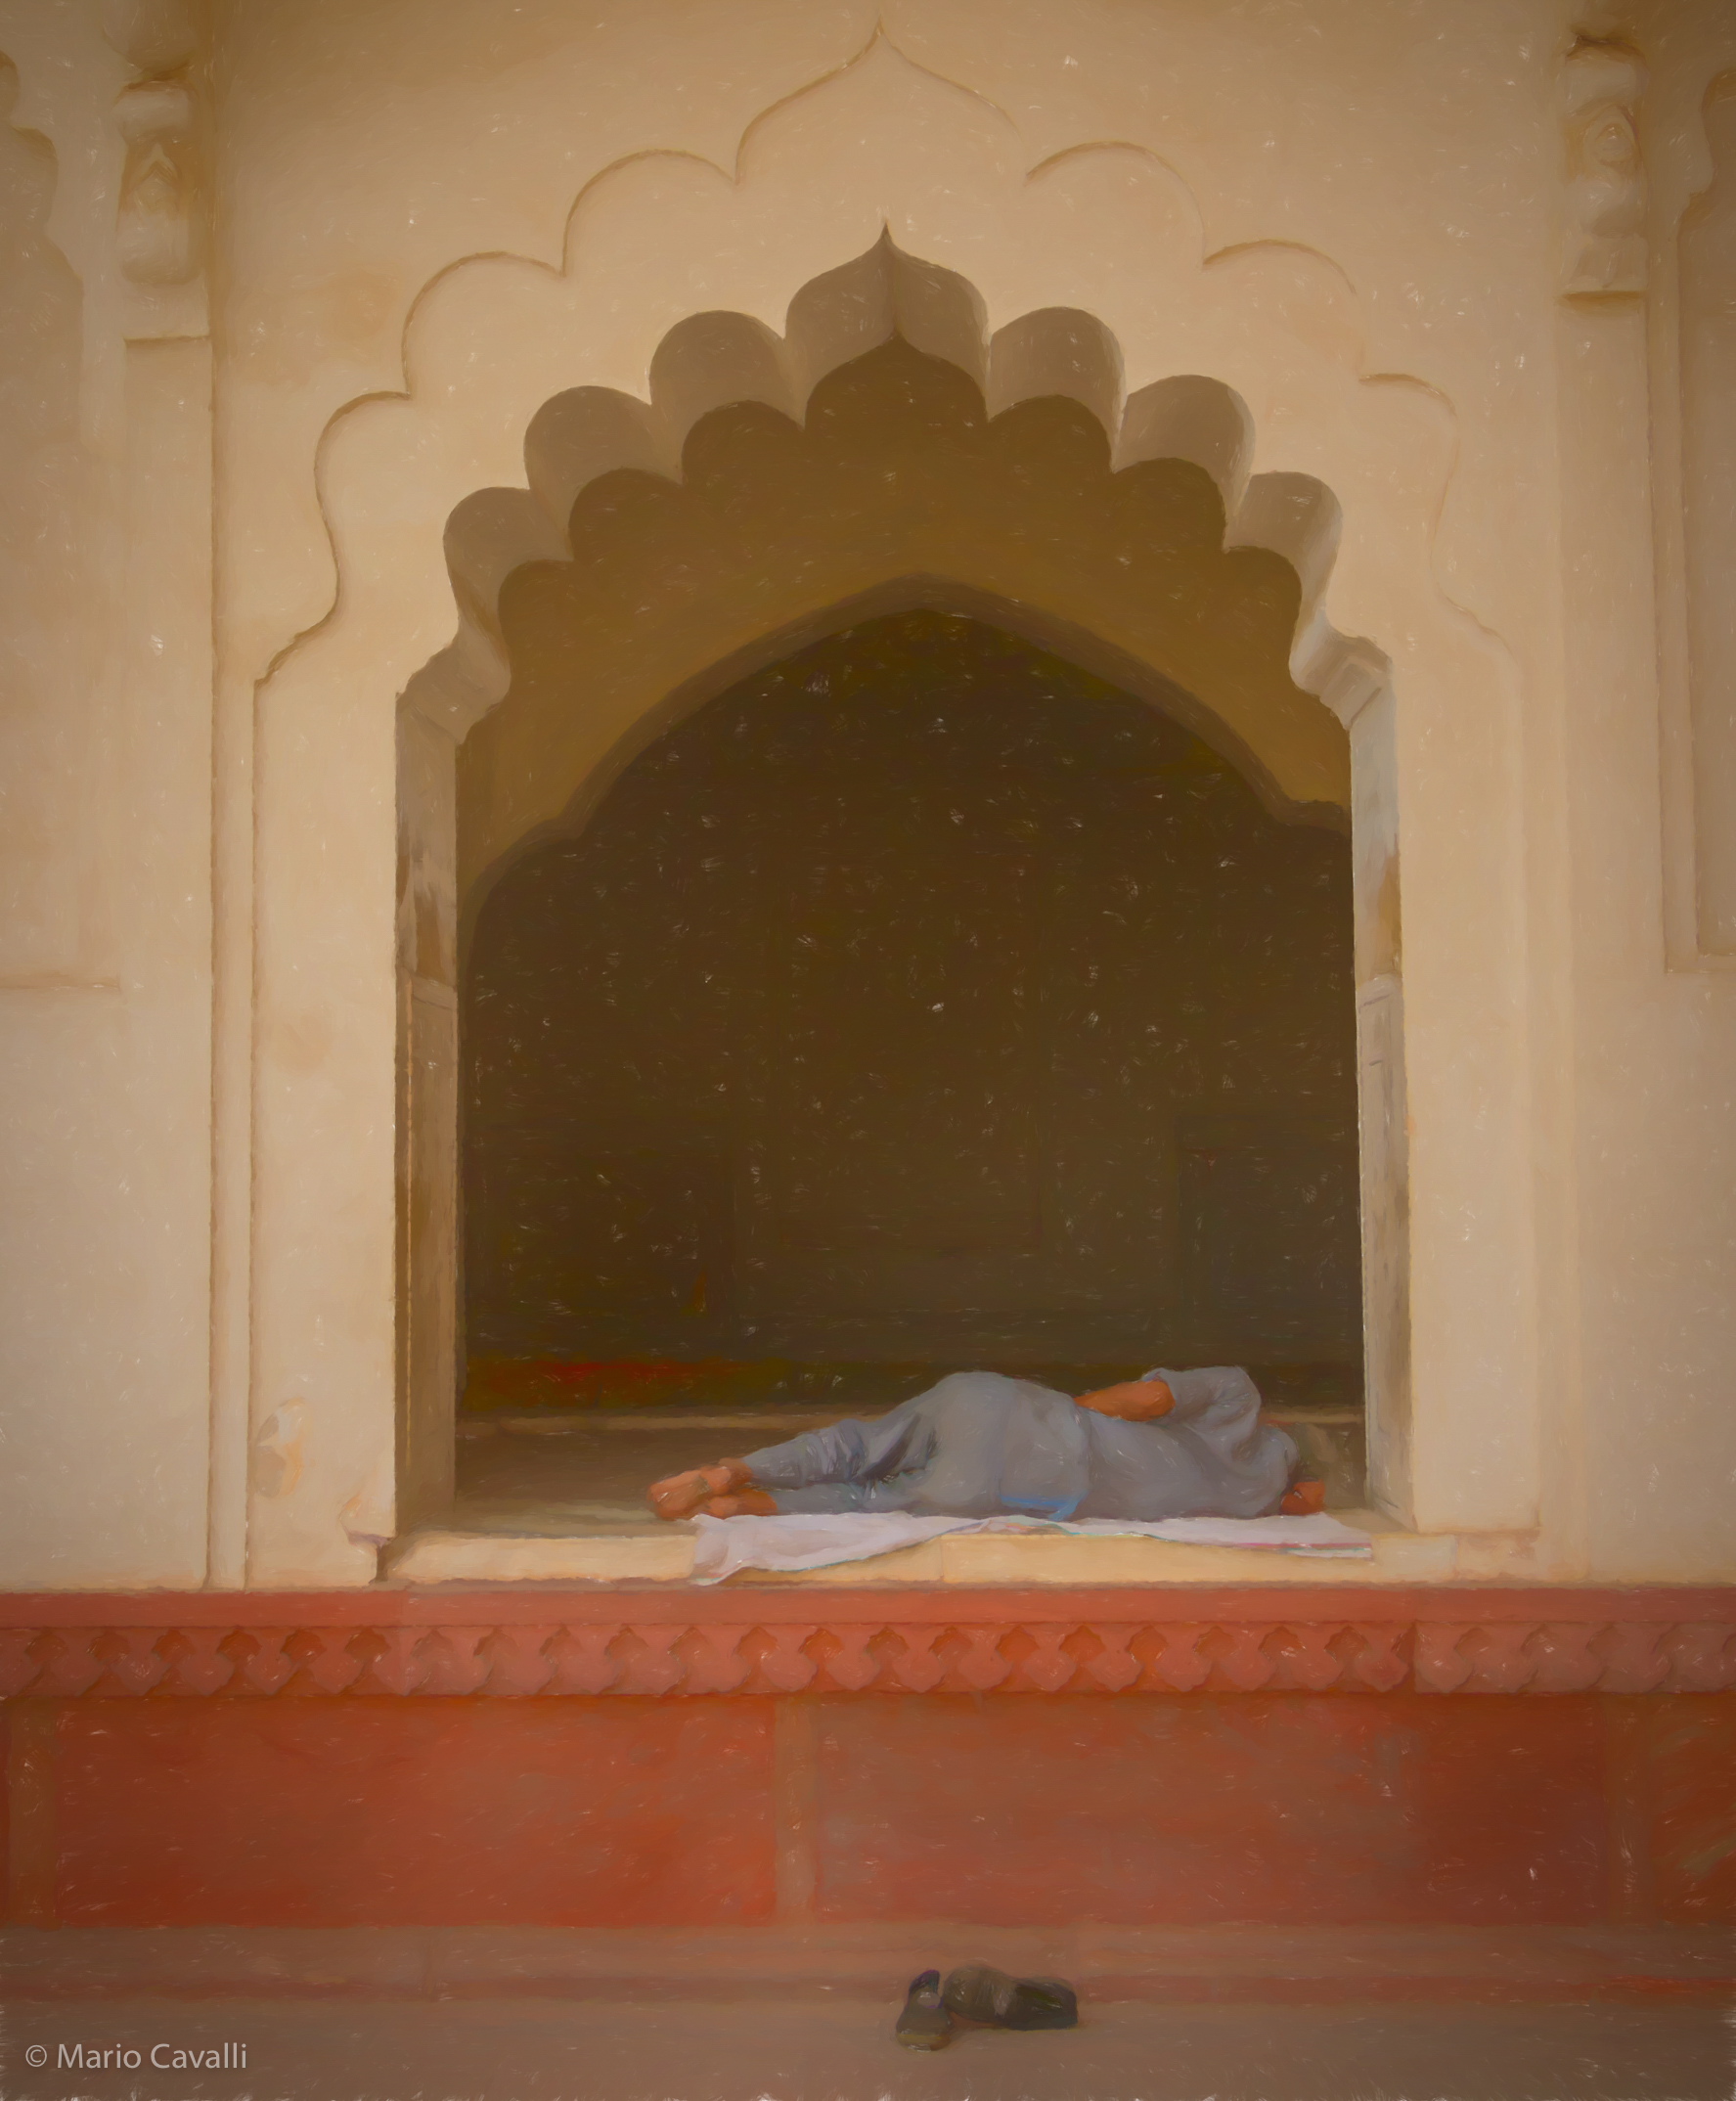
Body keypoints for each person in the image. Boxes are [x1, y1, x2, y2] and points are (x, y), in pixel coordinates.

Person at [646, 1364, 1322, 1523]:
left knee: (862, 1442)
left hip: (1000, 1408)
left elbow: (1144, 1400)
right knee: (871, 1498)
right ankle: (748, 1506)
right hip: (1038, 1489)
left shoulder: (1236, 1395)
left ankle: (729, 1469)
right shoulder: (1256, 1499)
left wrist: (1071, 1411)